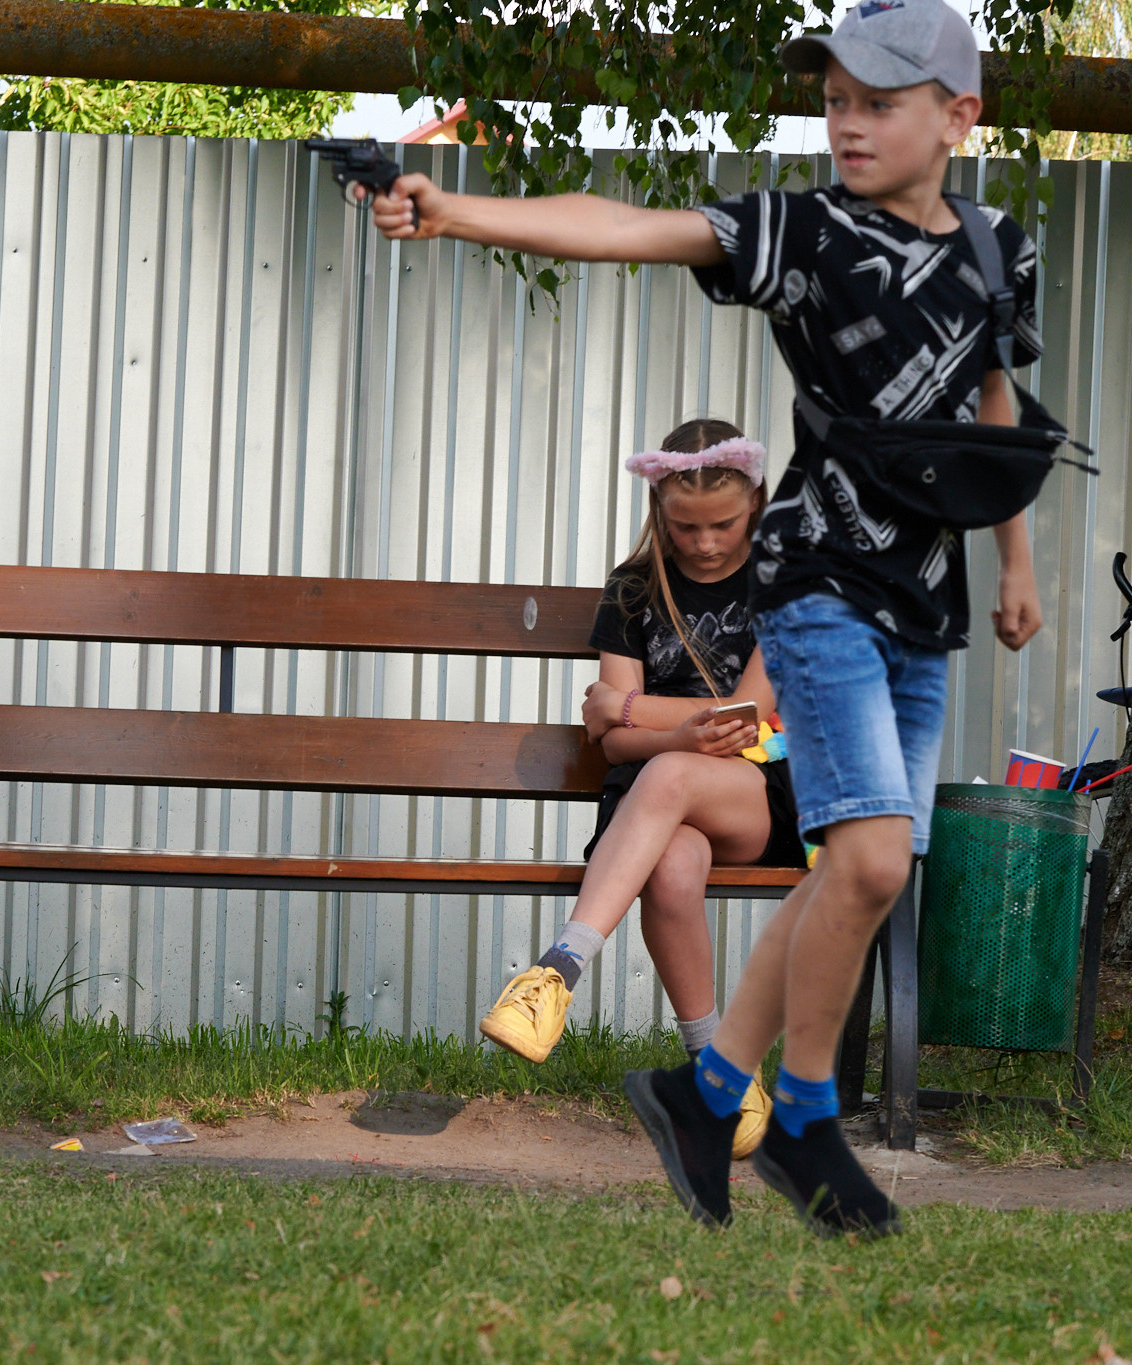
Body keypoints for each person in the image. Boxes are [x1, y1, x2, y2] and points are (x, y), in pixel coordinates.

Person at [369, 0, 1048, 1236]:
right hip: (817, 584)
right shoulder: (803, 231)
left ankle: (709, 1093)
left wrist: (1014, 561)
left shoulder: (999, 250)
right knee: (870, 858)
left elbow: (992, 405)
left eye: (877, 101)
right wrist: (455, 210)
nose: (846, 122)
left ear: (958, 115)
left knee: (861, 871)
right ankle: (795, 1119)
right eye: (833, 99)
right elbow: (626, 228)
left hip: (923, 604)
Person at [476, 420, 803, 1155]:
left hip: (755, 791)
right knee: (674, 862)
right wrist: (675, 733)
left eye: (723, 524)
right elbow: (616, 745)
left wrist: (625, 706)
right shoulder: (632, 590)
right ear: (659, 510)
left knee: (672, 773)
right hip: (655, 796)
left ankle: (558, 969)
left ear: (754, 504)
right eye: (686, 527)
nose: (706, 542)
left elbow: (749, 715)